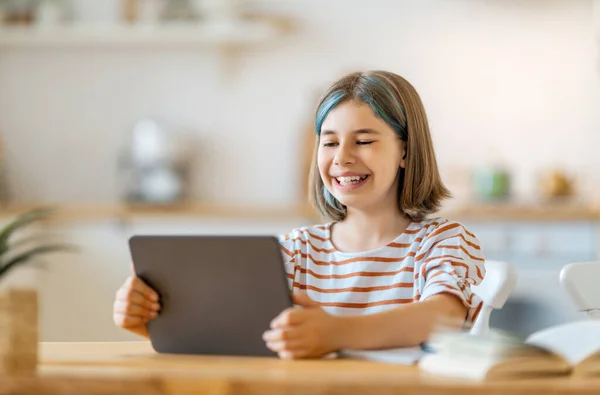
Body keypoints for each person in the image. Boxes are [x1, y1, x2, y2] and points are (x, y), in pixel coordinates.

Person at [113, 70, 486, 359]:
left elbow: (443, 317)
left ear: (405, 151)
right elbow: (239, 334)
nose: (342, 157)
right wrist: (150, 322)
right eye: (330, 141)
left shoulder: (444, 242)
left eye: (364, 140)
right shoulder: (295, 252)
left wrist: (335, 333)